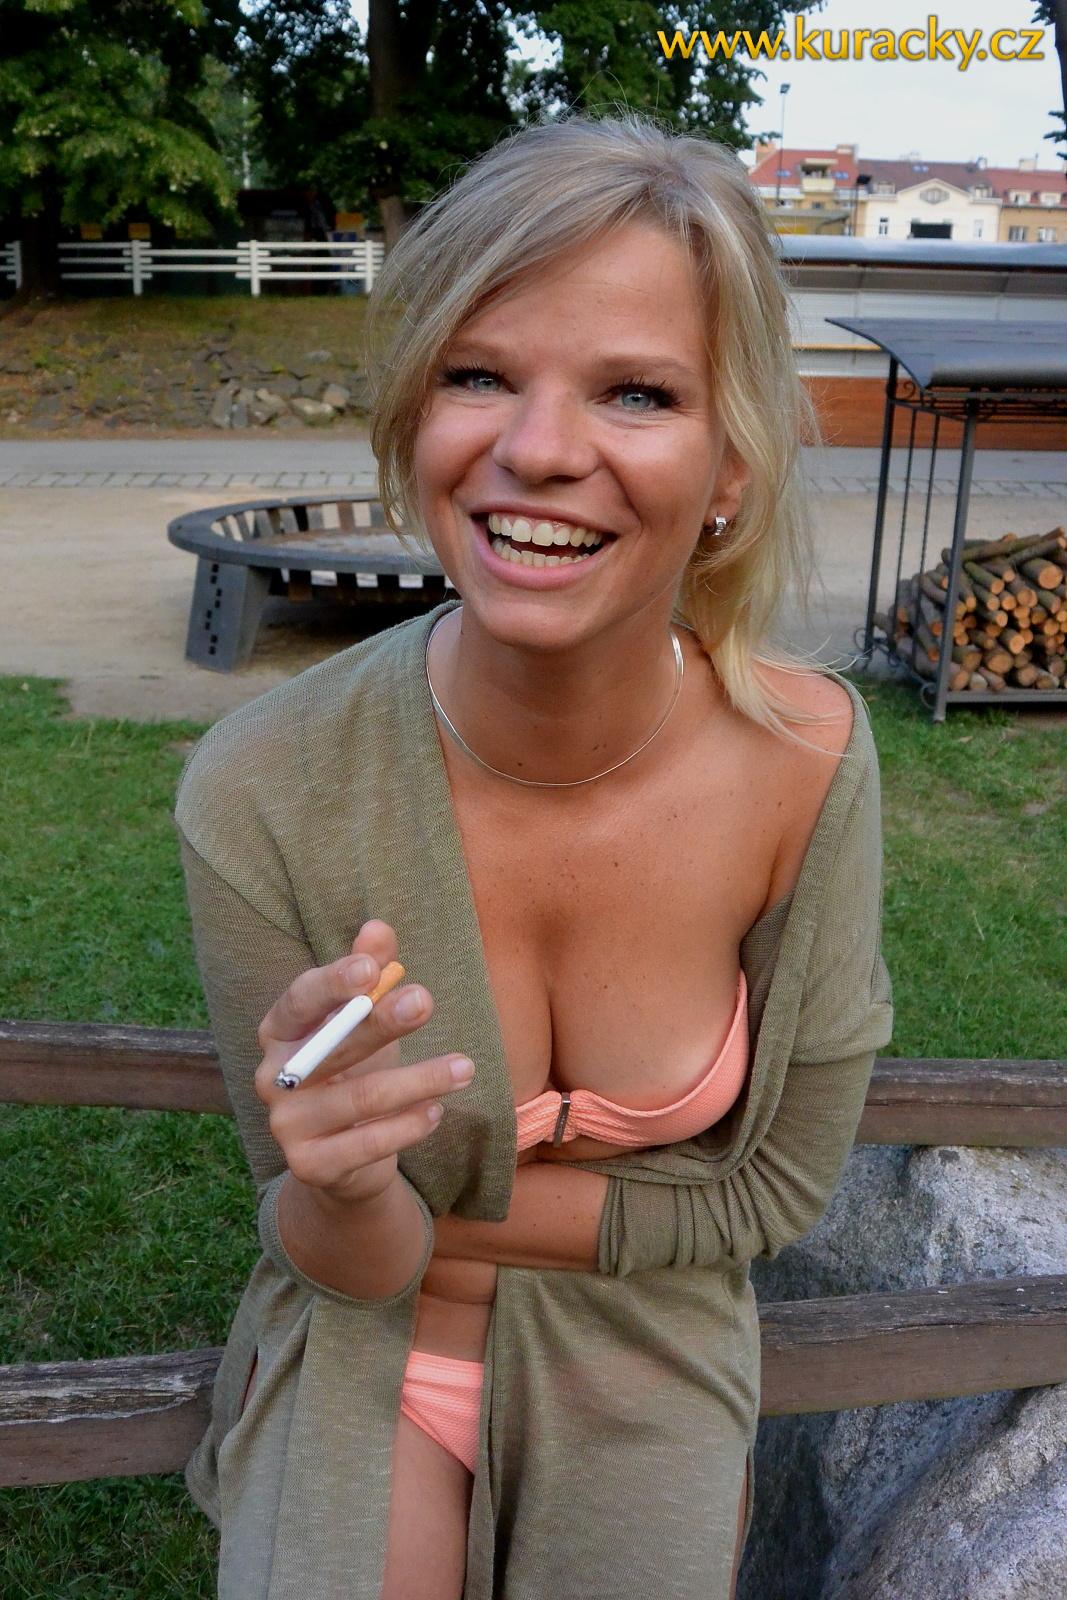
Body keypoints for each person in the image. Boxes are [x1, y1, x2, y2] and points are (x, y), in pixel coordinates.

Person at [174, 109, 893, 1600]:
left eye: (635, 392)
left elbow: (775, 1196)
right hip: (360, 1347)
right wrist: (344, 1188)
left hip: (648, 1360)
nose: (539, 451)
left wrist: (433, 1204)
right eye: (478, 374)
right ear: (413, 415)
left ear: (732, 465)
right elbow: (336, 1253)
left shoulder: (810, 763)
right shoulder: (262, 789)